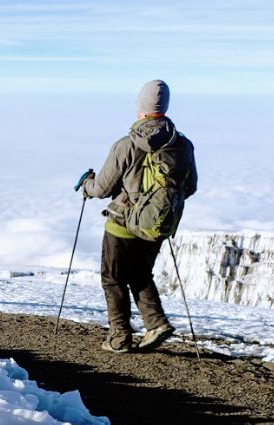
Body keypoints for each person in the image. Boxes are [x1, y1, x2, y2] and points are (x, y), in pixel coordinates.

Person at [79, 80, 197, 353]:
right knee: (141, 274)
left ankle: (120, 338)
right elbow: (189, 187)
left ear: (140, 108)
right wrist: (154, 206)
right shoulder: (182, 145)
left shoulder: (126, 145)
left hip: (121, 225)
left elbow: (101, 188)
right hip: (156, 225)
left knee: (113, 278)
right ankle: (155, 323)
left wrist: (86, 184)